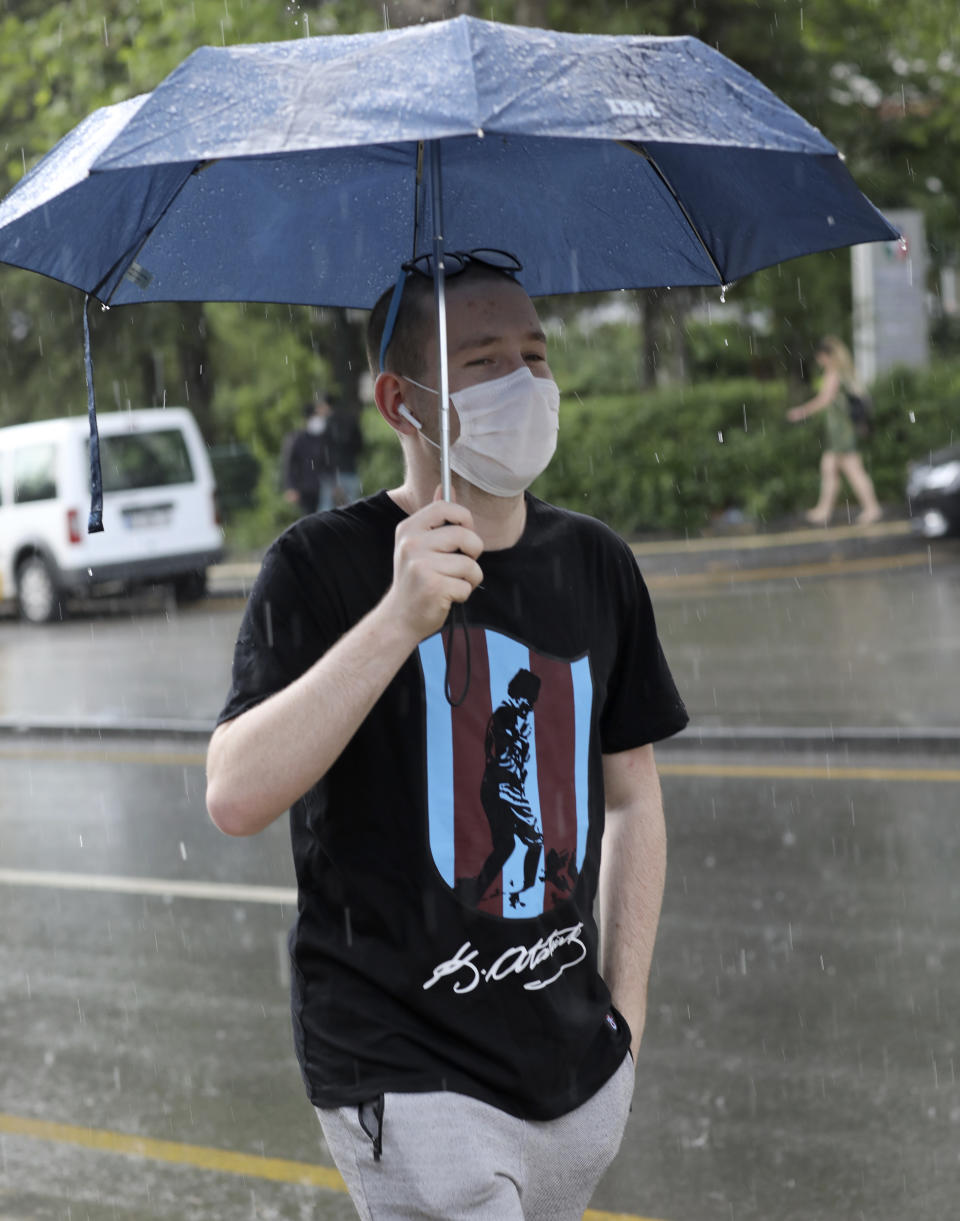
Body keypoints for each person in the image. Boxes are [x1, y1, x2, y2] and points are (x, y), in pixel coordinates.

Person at [206, 251, 688, 1221]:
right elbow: (235, 793)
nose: (525, 381)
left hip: (574, 1069)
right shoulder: (318, 569)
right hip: (405, 1072)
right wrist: (396, 619)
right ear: (400, 400)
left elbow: (633, 797)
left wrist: (624, 1021)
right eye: (482, 361)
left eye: (535, 355)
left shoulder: (596, 564)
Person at [786, 336, 882, 525]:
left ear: (827, 356)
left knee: (852, 470)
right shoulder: (844, 373)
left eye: (820, 356)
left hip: (841, 432)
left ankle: (871, 508)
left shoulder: (834, 374)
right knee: (830, 468)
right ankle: (825, 510)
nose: (819, 360)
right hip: (840, 431)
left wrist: (801, 412)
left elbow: (824, 400)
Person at [281, 397, 336, 515]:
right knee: (309, 516)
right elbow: (289, 464)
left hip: (320, 486)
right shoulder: (296, 439)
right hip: (304, 488)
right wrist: (291, 487)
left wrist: (333, 482)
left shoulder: (321, 438)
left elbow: (327, 461)